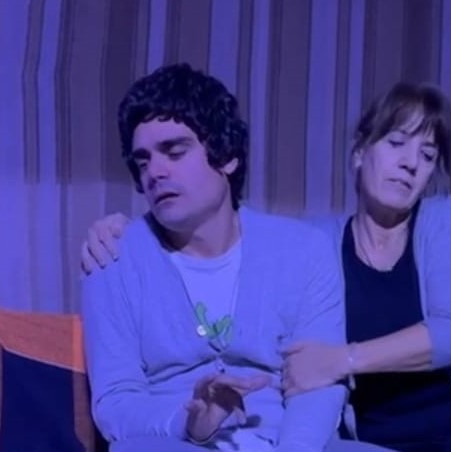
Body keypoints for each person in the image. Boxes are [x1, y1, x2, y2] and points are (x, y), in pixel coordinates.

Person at [82, 80, 451, 452]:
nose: (410, 164)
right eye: (397, 143)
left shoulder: (441, 220)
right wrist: (123, 230)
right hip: (377, 432)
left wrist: (344, 359)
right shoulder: (315, 242)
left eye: (427, 154)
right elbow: (119, 398)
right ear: (360, 153)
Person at [80, 63, 390, 452]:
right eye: (143, 161)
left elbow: (317, 382)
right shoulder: (112, 259)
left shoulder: (303, 251)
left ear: (226, 156)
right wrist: (189, 422)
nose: (155, 171)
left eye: (174, 152)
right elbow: (115, 402)